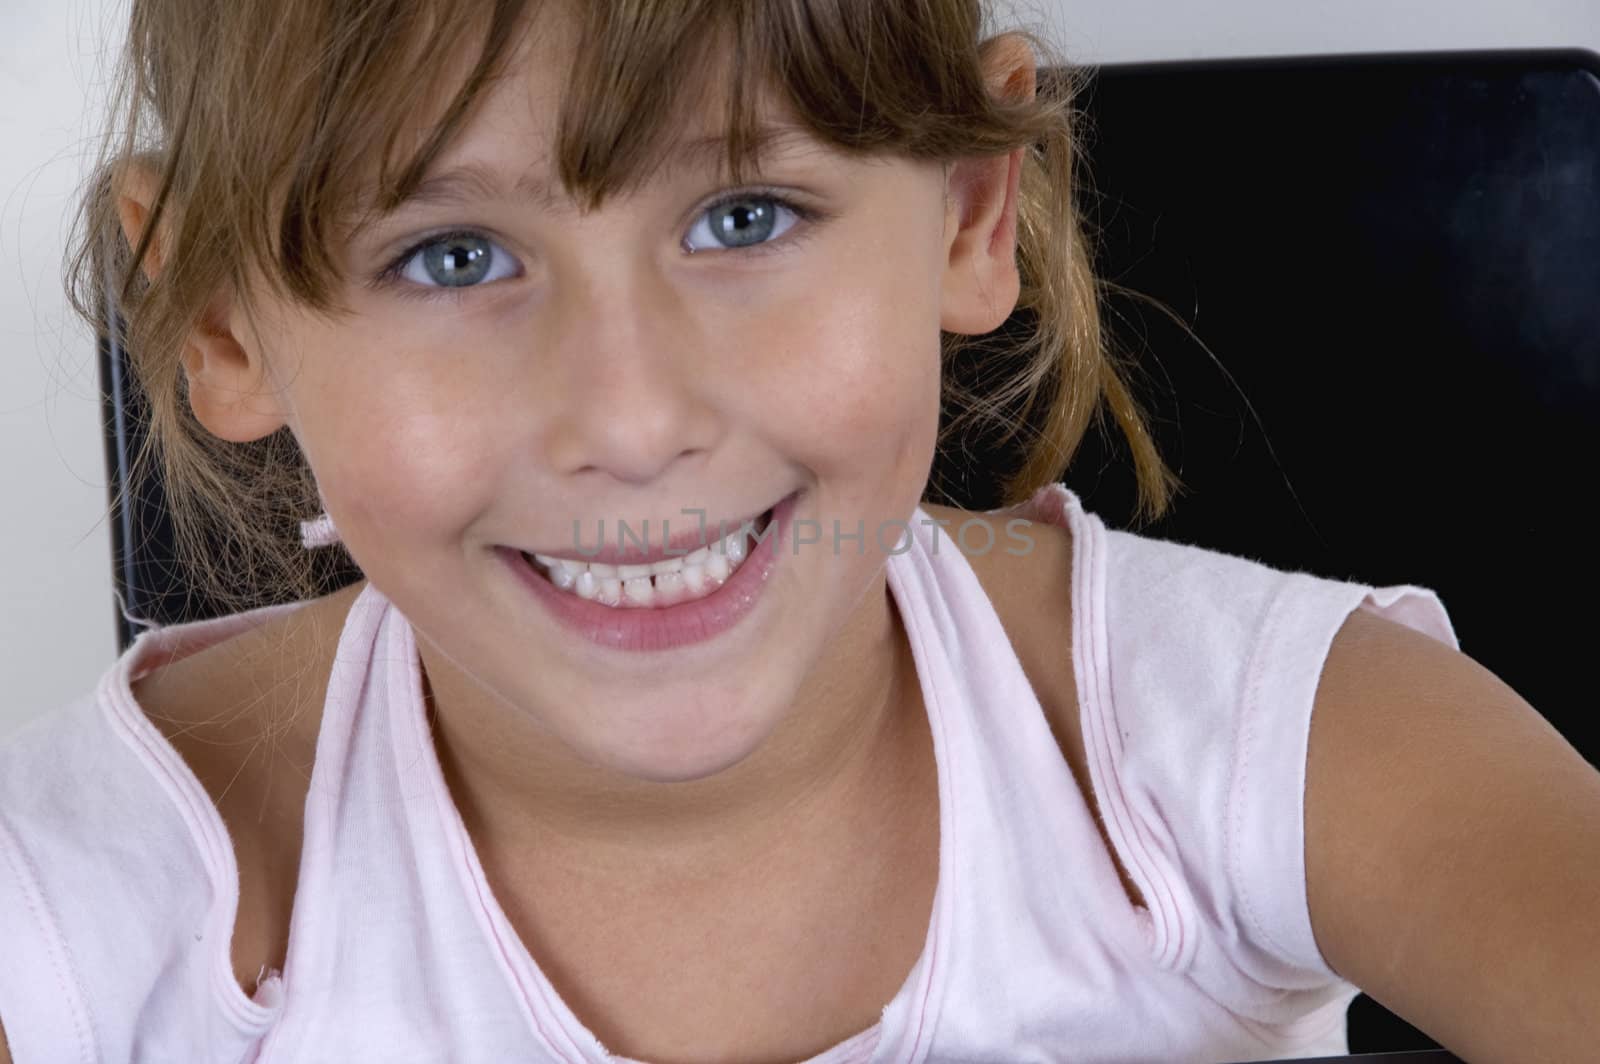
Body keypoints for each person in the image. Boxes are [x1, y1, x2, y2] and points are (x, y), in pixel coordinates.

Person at [2, 1, 1596, 1061]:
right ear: (220, 321)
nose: (630, 422)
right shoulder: (85, 902)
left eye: (742, 217)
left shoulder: (1236, 741)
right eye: (453, 257)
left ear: (971, 219)